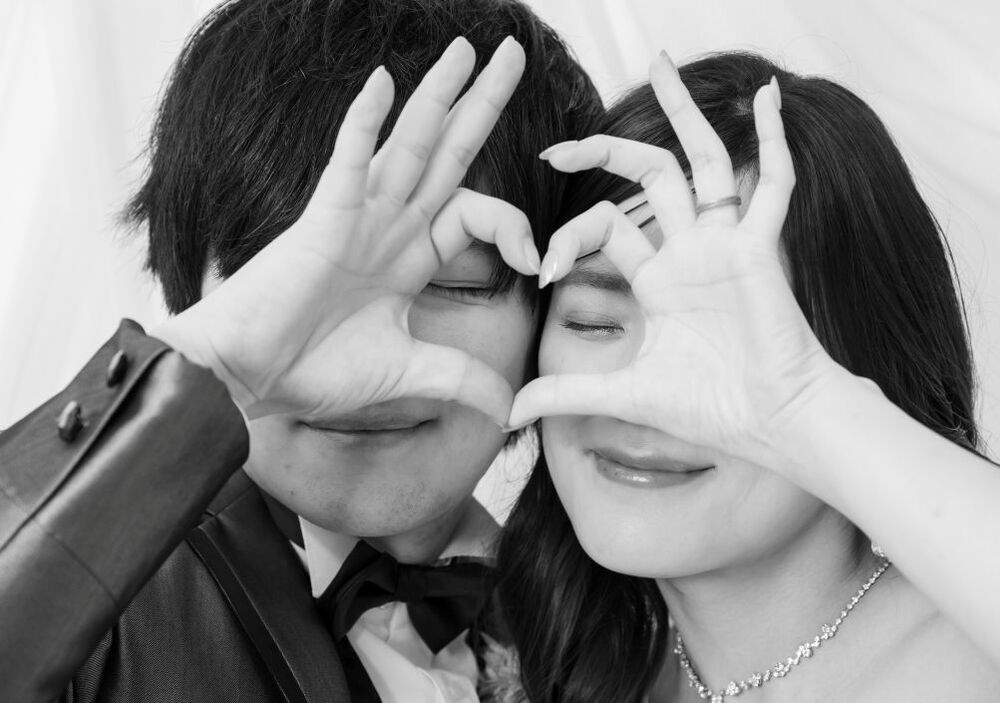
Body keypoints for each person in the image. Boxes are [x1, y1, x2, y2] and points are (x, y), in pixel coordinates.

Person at [0, 1, 601, 701]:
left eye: (453, 283)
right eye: (299, 281)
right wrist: (208, 370)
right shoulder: (96, 613)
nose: (368, 359)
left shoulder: (604, 618)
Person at [498, 51, 1000, 702]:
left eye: (730, 337)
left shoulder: (990, 670)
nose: (649, 392)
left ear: (865, 365)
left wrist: (798, 403)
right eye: (593, 323)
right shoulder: (575, 669)